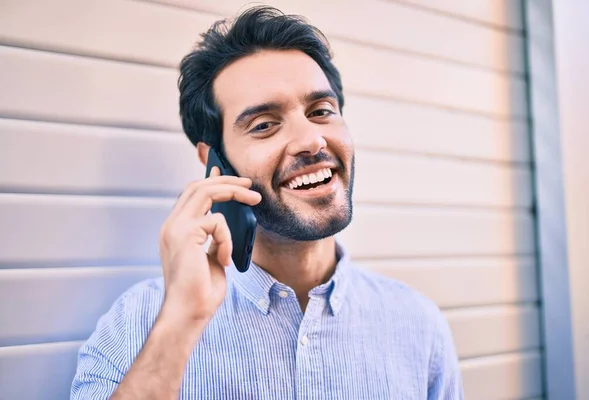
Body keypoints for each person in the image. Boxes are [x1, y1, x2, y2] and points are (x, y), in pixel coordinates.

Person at [71, 6, 463, 400]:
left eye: (321, 111)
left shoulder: (418, 324)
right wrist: (180, 325)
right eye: (264, 125)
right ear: (215, 164)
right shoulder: (137, 325)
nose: (311, 140)